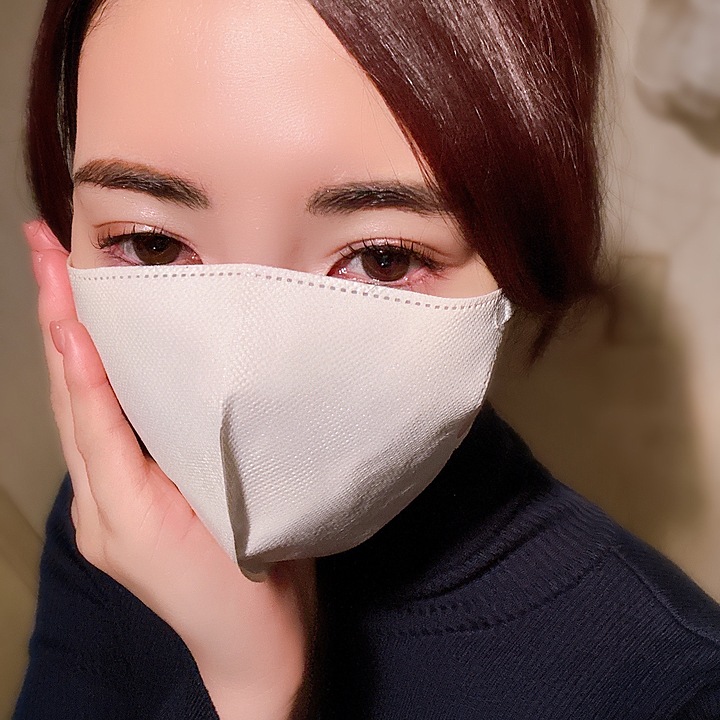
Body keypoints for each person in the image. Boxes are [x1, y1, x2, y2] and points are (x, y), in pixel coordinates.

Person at [13, 0, 720, 718]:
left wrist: (261, 696)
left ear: (517, 258)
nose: (243, 376)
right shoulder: (117, 509)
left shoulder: (673, 688)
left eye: (384, 259)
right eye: (153, 244)